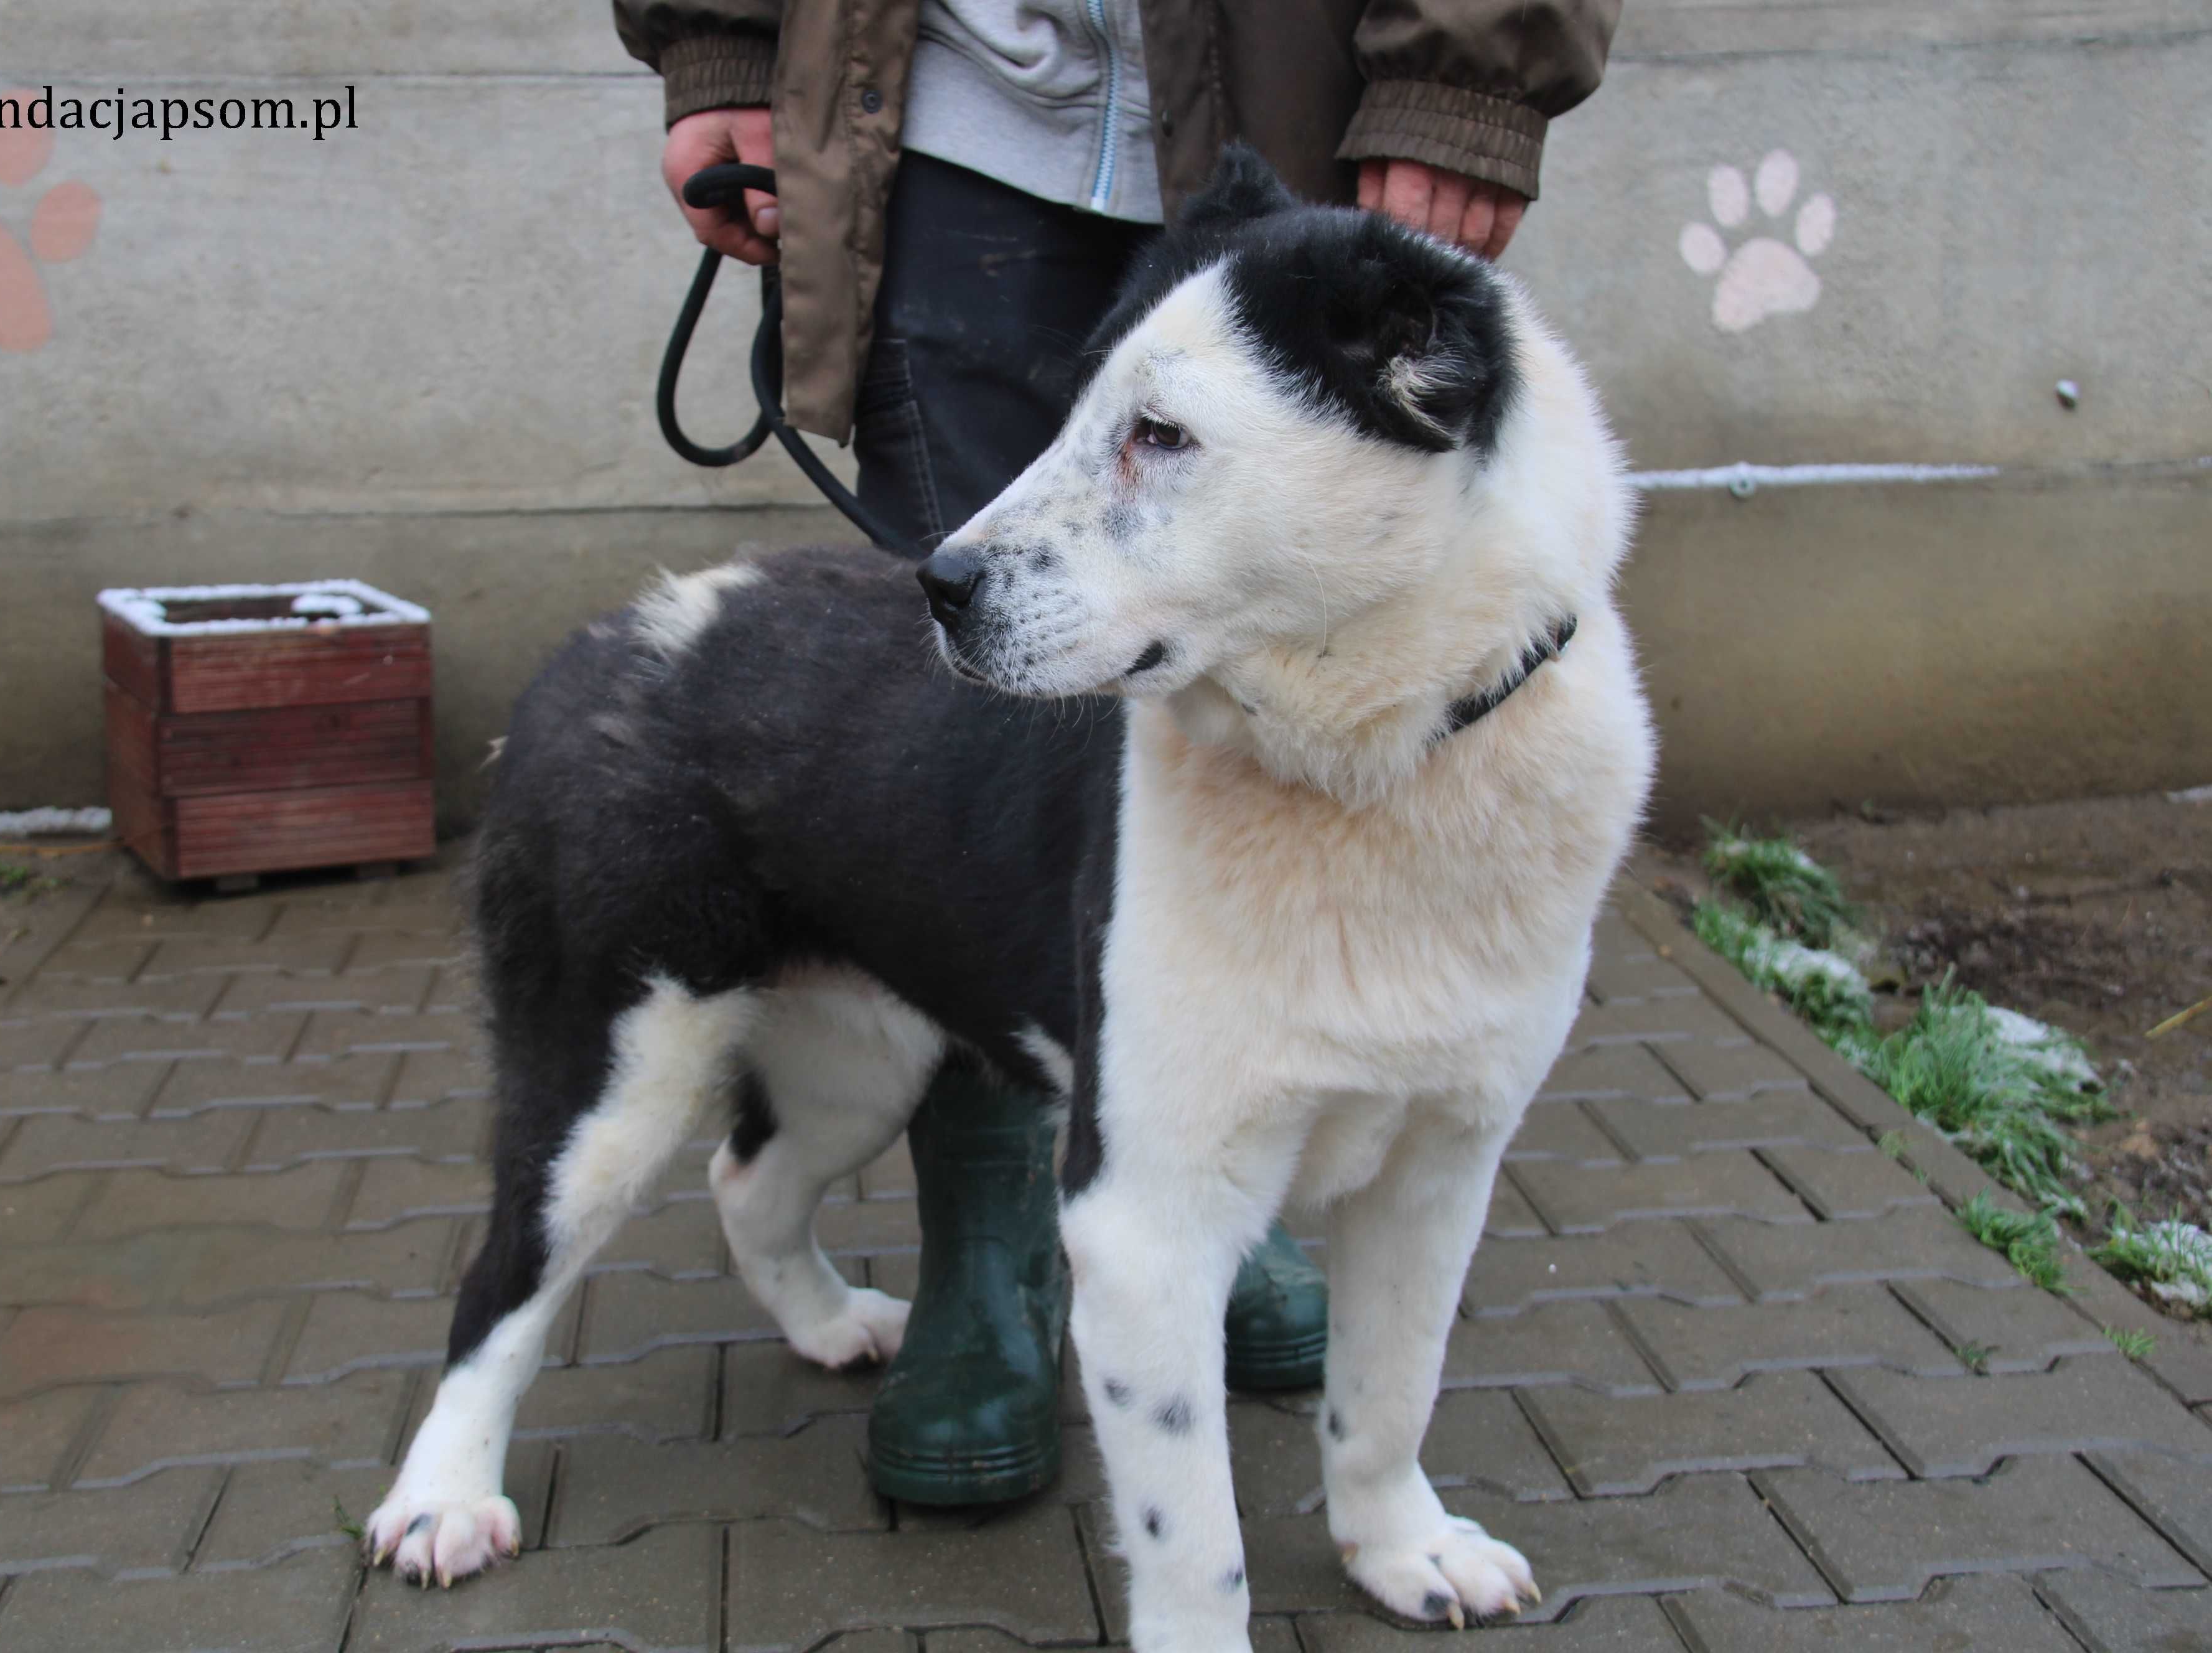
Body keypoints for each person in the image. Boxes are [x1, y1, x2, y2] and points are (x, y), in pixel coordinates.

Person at [612, 0, 1621, 1507]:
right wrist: (718, 43)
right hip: (938, 111)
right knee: (982, 756)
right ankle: (998, 1255)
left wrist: (1469, 78)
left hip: (1288, 83)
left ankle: (1236, 1185)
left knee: (1274, 688)